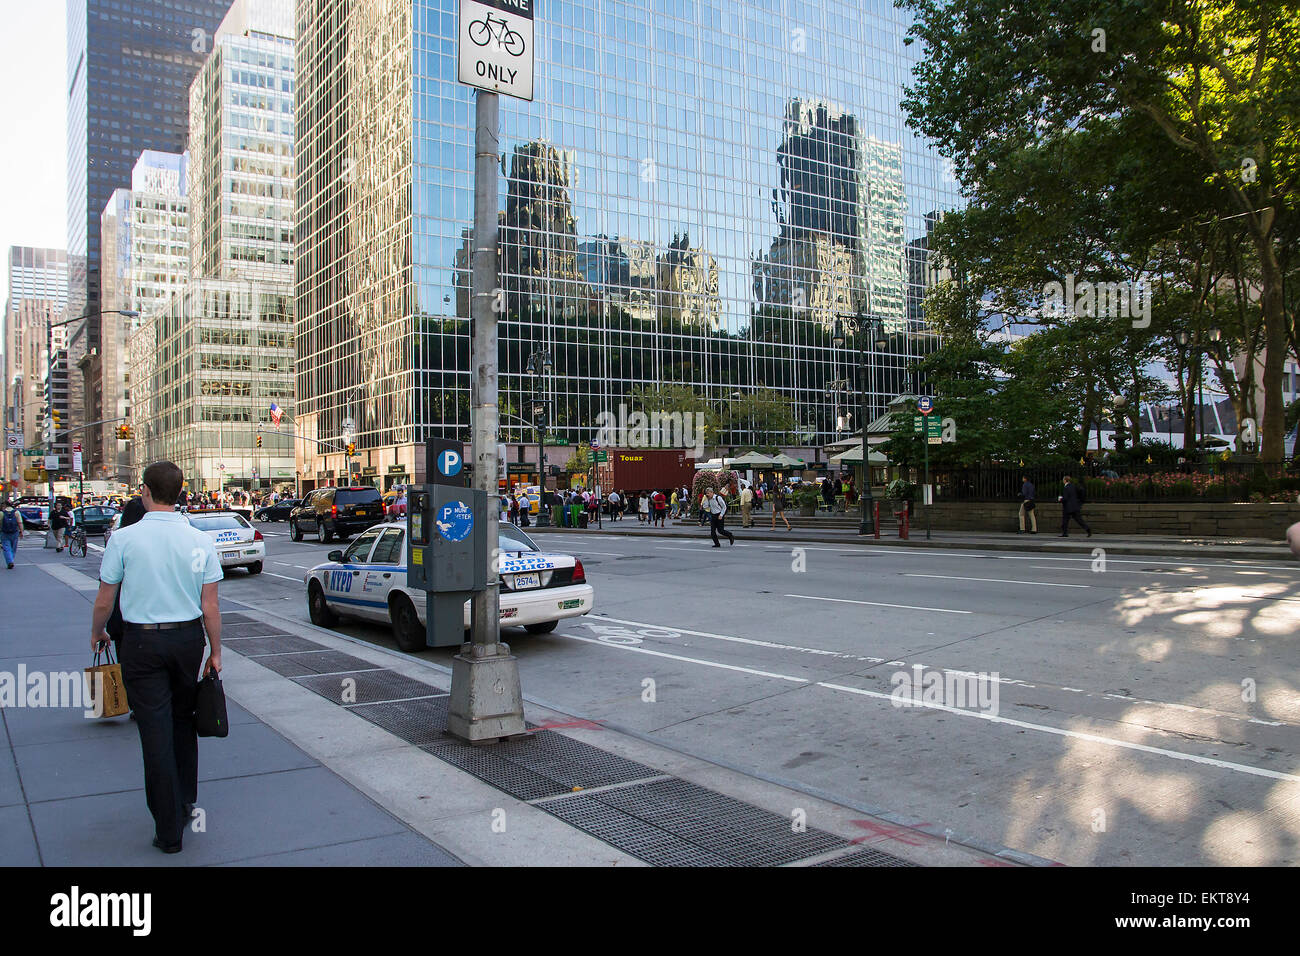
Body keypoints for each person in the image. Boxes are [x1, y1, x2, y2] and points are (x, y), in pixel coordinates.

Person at [91, 462, 222, 855]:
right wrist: (215, 652)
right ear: (181, 493)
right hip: (187, 640)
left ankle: (168, 830)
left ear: (146, 491)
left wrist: (96, 632)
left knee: (155, 733)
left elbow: (104, 598)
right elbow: (210, 606)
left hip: (142, 644)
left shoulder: (125, 539)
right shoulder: (199, 541)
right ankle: (184, 801)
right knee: (184, 721)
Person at [2, 503, 24, 569]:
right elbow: (20, 523)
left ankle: (10, 561)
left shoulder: (2, 513)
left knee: (6, 547)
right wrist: (21, 531)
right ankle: (11, 560)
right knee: (13, 548)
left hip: (4, 532)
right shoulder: (16, 512)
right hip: (14, 532)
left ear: (5, 506)